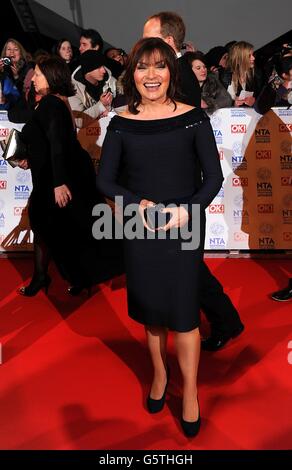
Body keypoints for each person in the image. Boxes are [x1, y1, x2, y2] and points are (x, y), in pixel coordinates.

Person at [97, 37, 224, 437]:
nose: (151, 76)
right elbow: (105, 179)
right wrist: (140, 205)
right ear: (131, 73)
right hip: (139, 225)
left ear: (172, 71)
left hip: (184, 225)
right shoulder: (119, 122)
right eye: (142, 67)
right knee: (153, 316)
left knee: (185, 316)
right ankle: (159, 375)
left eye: (159, 67)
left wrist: (186, 210)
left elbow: (214, 178)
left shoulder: (193, 118)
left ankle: (189, 394)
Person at [143, 11, 244, 351]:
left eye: (149, 37)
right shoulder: (174, 71)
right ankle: (224, 320)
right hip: (174, 187)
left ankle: (223, 321)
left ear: (169, 42)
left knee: (187, 266)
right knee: (186, 264)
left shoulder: (180, 74)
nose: (142, 44)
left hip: (181, 189)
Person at [16, 56, 112, 296]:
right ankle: (51, 276)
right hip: (57, 174)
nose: (33, 79)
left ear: (51, 77)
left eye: (38, 74)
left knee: (56, 225)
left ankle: (46, 276)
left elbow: (58, 144)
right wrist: (30, 157)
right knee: (61, 227)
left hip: (58, 177)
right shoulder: (56, 102)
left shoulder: (52, 103)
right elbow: (47, 141)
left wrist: (59, 183)